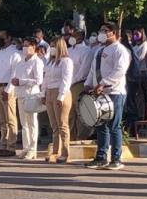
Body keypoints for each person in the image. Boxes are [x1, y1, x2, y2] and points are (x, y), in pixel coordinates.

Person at [84, 23, 131, 170]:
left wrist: (103, 83)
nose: (101, 33)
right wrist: (88, 84)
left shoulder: (120, 50)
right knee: (100, 124)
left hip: (114, 92)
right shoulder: (99, 50)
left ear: (114, 33)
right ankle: (101, 157)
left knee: (114, 125)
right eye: (101, 30)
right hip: (99, 93)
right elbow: (93, 70)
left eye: (105, 31)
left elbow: (119, 71)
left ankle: (116, 159)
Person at [0, 30, 22, 157]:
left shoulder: (15, 53)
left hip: (7, 87)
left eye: (2, 38)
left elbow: (14, 73)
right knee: (1, 120)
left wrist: (8, 90)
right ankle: (2, 145)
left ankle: (11, 146)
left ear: (9, 38)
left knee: (10, 118)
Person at [11, 37, 44, 160]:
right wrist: (15, 82)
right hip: (20, 94)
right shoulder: (21, 62)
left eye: (27, 45)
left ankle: (33, 149)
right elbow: (16, 77)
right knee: (24, 124)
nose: (24, 48)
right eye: (23, 45)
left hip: (31, 95)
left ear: (33, 47)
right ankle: (26, 148)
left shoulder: (37, 62)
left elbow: (38, 80)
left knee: (32, 123)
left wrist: (22, 81)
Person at [44, 36, 74, 163]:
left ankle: (66, 152)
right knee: (54, 125)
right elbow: (45, 79)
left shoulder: (66, 61)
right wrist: (43, 93)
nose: (51, 49)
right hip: (50, 91)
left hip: (61, 92)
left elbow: (66, 80)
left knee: (62, 124)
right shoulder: (50, 62)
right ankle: (55, 152)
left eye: (53, 46)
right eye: (50, 46)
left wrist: (61, 96)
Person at [65, 23, 93, 140]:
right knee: (69, 113)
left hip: (78, 84)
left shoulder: (87, 51)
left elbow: (84, 70)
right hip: (67, 85)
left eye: (74, 34)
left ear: (80, 36)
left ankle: (81, 138)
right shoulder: (68, 50)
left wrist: (71, 81)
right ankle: (70, 138)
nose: (71, 36)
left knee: (80, 112)